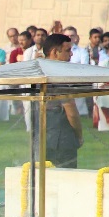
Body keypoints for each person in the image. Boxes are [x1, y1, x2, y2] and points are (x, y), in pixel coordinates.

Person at [41, 34, 83, 168]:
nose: (71, 54)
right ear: (54, 52)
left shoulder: (38, 71)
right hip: (62, 137)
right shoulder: (58, 75)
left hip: (40, 135)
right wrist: (79, 135)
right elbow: (71, 111)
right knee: (66, 180)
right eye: (67, 50)